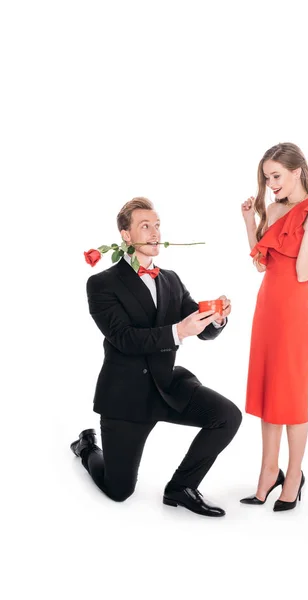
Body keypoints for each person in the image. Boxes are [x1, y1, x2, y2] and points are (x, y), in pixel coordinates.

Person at [71, 197, 242, 517]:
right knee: (118, 491)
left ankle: (181, 488)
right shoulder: (101, 283)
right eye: (144, 226)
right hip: (125, 397)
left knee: (228, 416)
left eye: (157, 225)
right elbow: (123, 338)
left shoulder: (171, 279)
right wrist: (178, 331)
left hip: (167, 387)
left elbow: (199, 328)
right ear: (126, 234)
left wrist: (216, 318)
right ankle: (86, 448)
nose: (154, 232)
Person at [240, 143, 308, 511]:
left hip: (295, 318)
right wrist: (249, 224)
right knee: (269, 394)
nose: (270, 184)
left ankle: (294, 476)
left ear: (296, 171)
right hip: (266, 310)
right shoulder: (272, 208)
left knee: (291, 399)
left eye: (276, 176)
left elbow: (304, 271)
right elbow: (260, 264)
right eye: (267, 178)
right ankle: (269, 471)